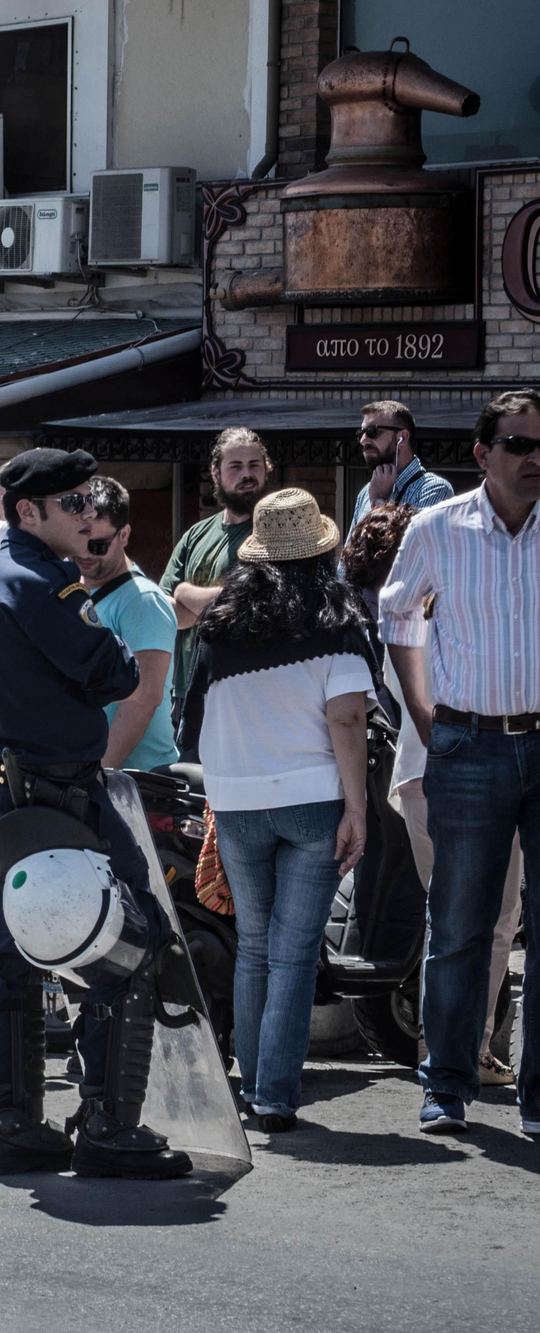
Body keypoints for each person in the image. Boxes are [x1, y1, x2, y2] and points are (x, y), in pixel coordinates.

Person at [0, 446, 191, 1179]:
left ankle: (13, 1122)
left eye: (90, 502)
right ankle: (109, 1125)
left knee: (12, 951)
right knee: (130, 938)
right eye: (74, 503)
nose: (88, 515)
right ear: (29, 511)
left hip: (7, 785)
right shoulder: (43, 583)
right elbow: (116, 672)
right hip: (60, 791)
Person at [177, 489, 372, 1134]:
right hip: (313, 798)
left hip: (235, 800)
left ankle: (255, 1085)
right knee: (292, 953)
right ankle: (274, 1096)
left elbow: (195, 717)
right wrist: (358, 808)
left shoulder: (221, 624)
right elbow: (347, 719)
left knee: (255, 947)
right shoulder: (337, 620)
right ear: (321, 554)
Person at [381, 388, 540, 1137]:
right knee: (458, 924)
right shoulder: (437, 527)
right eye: (520, 444)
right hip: (469, 743)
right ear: (482, 453)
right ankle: (446, 1084)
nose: (535, 458)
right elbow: (397, 618)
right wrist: (427, 719)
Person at [343, 505, 524, 1090]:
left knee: (450, 920)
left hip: (419, 774)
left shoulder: (404, 616)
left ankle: (446, 1046)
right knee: (492, 921)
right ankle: (461, 1049)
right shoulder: (445, 613)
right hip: (458, 769)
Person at [162, 428, 273, 721]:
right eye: (235, 466)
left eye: (254, 465)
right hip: (187, 690)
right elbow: (165, 612)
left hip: (244, 690)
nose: (247, 474)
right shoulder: (195, 535)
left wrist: (184, 592)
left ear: (267, 469)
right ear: (215, 472)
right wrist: (219, 605)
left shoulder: (274, 536)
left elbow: (250, 606)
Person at [73, 478, 181, 772]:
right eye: (79, 541)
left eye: (97, 546)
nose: (85, 554)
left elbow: (144, 697)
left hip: (136, 780)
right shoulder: (77, 589)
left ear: (124, 535)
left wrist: (100, 774)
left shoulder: (142, 600)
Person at [350, 399, 451, 538]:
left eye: (372, 431)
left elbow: (410, 547)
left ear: (402, 437)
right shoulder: (366, 493)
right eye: (360, 433)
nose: (363, 440)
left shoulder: (434, 489)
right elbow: (350, 549)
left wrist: (379, 501)